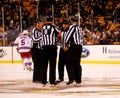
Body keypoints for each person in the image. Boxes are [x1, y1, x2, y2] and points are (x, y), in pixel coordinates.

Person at [64, 15, 83, 86]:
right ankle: (78, 80)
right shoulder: (80, 28)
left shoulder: (72, 27)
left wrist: (66, 45)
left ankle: (71, 79)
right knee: (77, 63)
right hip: (79, 46)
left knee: (68, 63)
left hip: (73, 46)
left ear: (72, 21)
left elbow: (67, 37)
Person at [41, 15, 61, 86]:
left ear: (46, 20)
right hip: (52, 47)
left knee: (44, 64)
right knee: (52, 64)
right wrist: (56, 41)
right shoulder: (53, 26)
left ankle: (43, 81)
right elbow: (59, 34)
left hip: (44, 47)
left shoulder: (43, 27)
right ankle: (52, 81)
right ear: (52, 20)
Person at [56, 19, 70, 84]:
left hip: (68, 49)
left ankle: (71, 78)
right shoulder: (60, 30)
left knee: (69, 64)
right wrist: (57, 40)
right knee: (60, 64)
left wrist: (68, 46)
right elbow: (57, 38)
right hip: (62, 49)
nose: (64, 25)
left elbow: (72, 39)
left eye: (66, 24)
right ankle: (60, 78)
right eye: (63, 24)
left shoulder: (70, 30)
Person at [30, 19, 43, 83]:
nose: (42, 24)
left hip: (39, 49)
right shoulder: (34, 30)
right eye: (40, 23)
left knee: (40, 64)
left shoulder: (41, 30)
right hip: (34, 49)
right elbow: (35, 39)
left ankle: (39, 78)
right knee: (37, 64)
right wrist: (42, 36)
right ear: (37, 24)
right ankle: (36, 79)